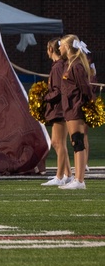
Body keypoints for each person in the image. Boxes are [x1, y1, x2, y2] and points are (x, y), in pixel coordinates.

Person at [58, 34, 94, 189]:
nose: (59, 47)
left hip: (75, 108)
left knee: (77, 141)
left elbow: (85, 88)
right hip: (70, 108)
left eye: (61, 45)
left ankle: (79, 180)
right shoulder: (71, 63)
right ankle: (77, 179)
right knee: (75, 142)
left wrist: (85, 105)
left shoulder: (76, 65)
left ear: (67, 47)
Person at [39, 39, 72, 186]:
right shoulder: (59, 66)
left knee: (59, 142)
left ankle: (59, 176)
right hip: (59, 107)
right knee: (56, 142)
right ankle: (68, 174)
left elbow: (58, 90)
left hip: (59, 108)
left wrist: (44, 97)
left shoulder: (58, 67)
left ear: (51, 50)